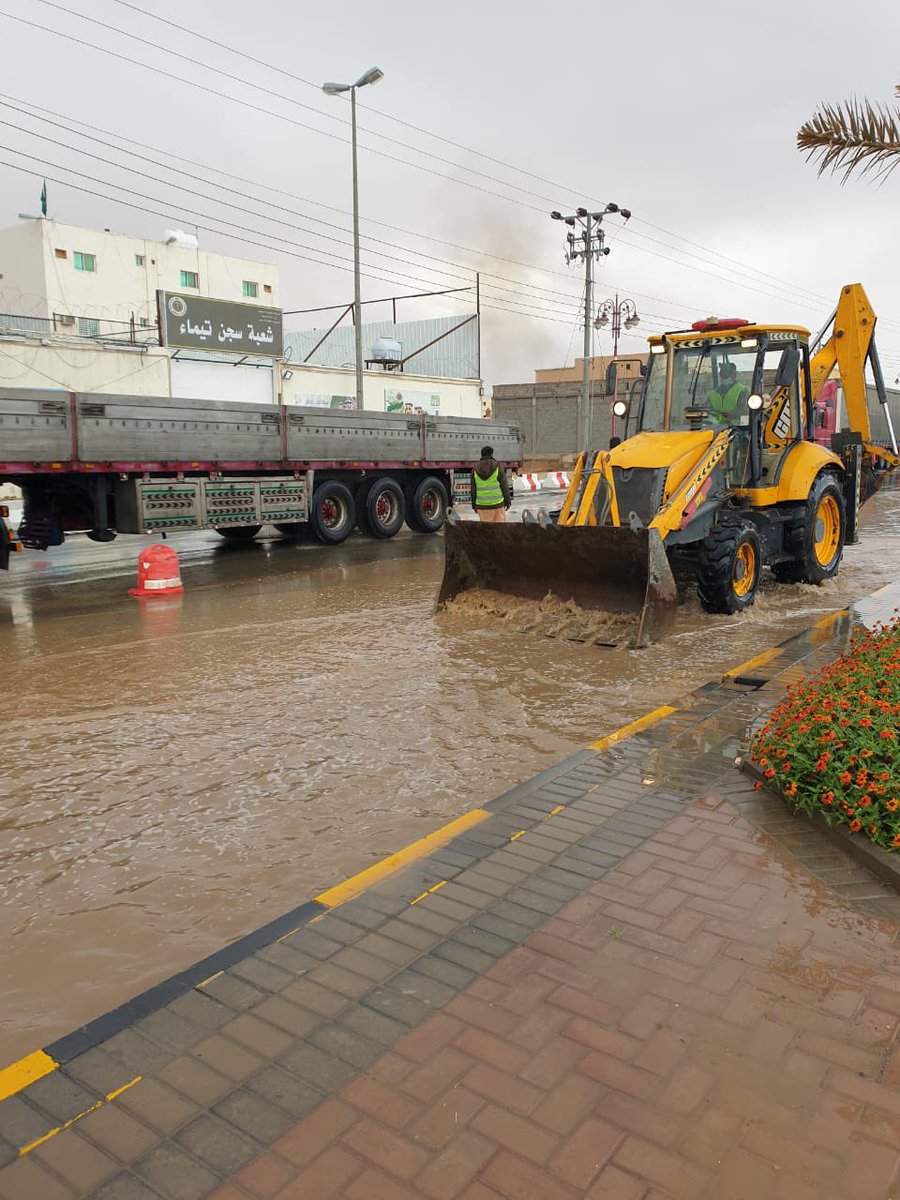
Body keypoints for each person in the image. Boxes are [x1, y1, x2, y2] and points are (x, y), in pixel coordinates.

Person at [472, 445, 512, 522]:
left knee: (486, 530)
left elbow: (473, 489)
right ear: (491, 454)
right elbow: (504, 486)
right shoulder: (497, 467)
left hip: (482, 506)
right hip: (497, 504)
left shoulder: (475, 469)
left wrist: (474, 506)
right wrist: (508, 502)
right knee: (499, 529)